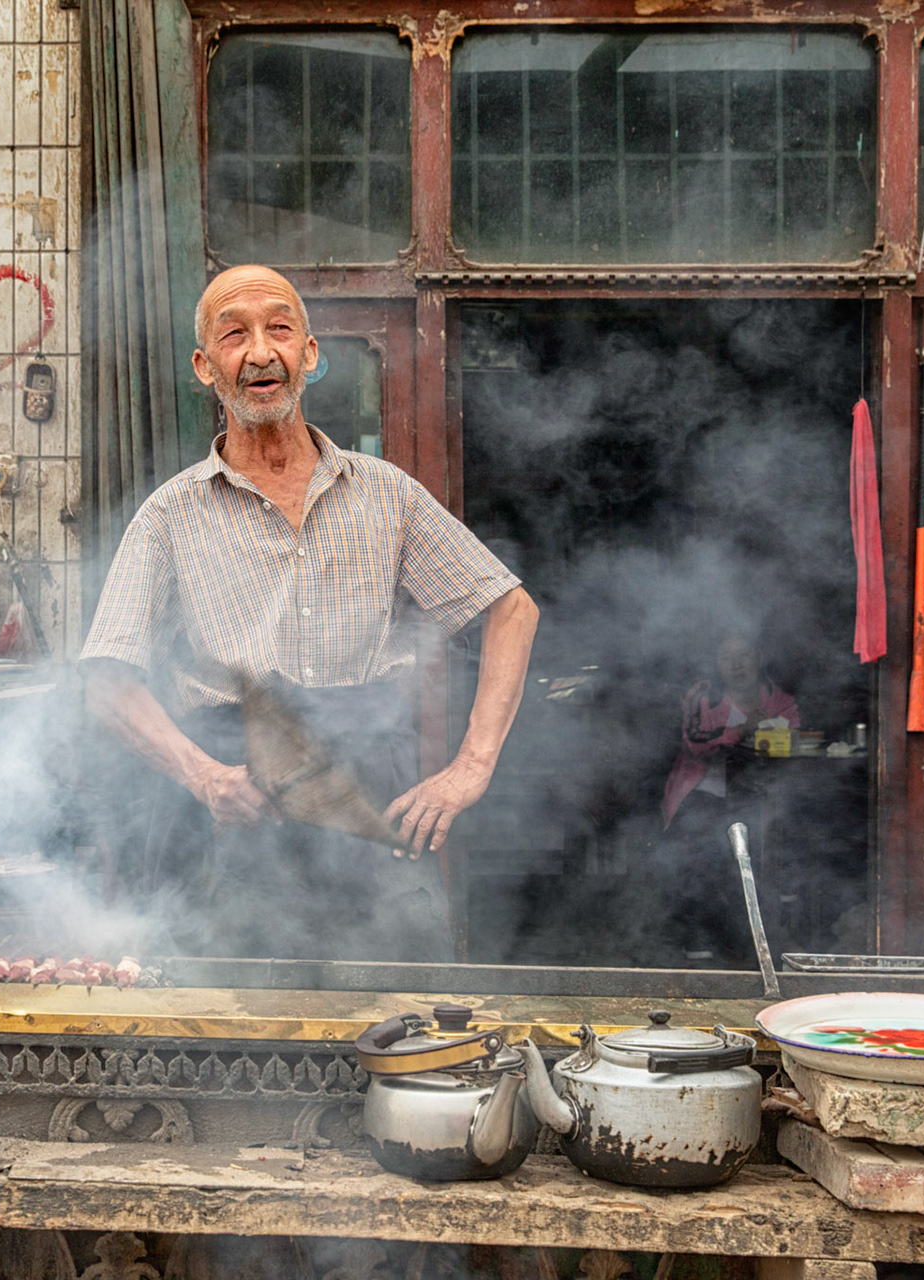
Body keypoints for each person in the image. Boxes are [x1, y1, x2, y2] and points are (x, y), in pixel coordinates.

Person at [81, 265, 539, 960]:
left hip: (368, 803)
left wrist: (471, 767)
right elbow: (107, 681)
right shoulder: (168, 517)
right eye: (235, 335)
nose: (260, 351)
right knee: (237, 1041)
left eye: (280, 329)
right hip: (239, 815)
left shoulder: (386, 494)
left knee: (407, 1025)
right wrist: (204, 775)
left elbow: (511, 610)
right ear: (207, 367)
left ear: (310, 354)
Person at [651, 632, 800, 965]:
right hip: (701, 792)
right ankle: (698, 943)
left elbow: (792, 743)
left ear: (758, 658)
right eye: (726, 658)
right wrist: (744, 730)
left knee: (766, 861)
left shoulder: (779, 699)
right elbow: (694, 742)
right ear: (716, 664)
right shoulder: (703, 696)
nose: (736, 665)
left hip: (760, 798)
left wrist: (775, 738)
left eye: (744, 655)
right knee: (703, 858)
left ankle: (755, 947)